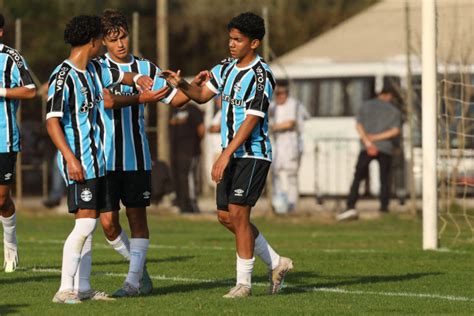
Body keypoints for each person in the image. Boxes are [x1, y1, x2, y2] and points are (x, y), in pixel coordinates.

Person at [161, 12, 293, 298]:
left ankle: (243, 284)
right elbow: (200, 96)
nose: (231, 44)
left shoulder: (262, 76)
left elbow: (252, 120)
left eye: (238, 40)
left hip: (253, 153)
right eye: (230, 38)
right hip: (231, 154)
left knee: (238, 213)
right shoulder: (224, 68)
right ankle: (276, 262)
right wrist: (181, 84)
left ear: (254, 43)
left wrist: (224, 154)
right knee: (225, 217)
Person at [46, 15, 166, 304]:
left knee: (90, 225)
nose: (107, 44)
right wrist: (70, 158)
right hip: (80, 161)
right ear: (93, 41)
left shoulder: (93, 70)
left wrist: (137, 77)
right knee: (85, 225)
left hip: (98, 161)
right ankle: (65, 290)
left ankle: (84, 289)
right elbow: (52, 122)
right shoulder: (64, 76)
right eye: (103, 39)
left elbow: (121, 77)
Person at [97, 9, 197, 297]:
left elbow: (176, 100)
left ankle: (133, 282)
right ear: (103, 41)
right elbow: (105, 101)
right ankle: (139, 270)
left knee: (137, 219)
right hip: (104, 157)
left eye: (124, 37)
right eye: (113, 39)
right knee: (108, 223)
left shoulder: (146, 67)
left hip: (137, 157)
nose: (120, 44)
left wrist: (190, 87)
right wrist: (139, 94)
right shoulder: (97, 68)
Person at [0, 14, 37, 273]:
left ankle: (10, 245)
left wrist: (1, 92)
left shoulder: (11, 58)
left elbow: (31, 89)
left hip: (4, 139)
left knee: (1, 199)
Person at [336, 85, 401, 221]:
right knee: (384, 179)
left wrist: (368, 142)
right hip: (385, 147)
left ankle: (350, 204)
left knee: (358, 177)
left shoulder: (365, 106)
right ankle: (384, 207)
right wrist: (376, 139)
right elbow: (395, 131)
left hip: (365, 147)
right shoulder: (394, 111)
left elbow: (358, 126)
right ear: (389, 96)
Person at [269, 79, 308, 213]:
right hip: (277, 143)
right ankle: (279, 202)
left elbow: (290, 123)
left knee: (291, 175)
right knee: (276, 174)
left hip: (291, 143)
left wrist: (273, 127)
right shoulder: (273, 106)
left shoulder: (294, 104)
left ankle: (291, 204)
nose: (279, 96)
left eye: (282, 93)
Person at [169, 102, 205, 214]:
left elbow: (201, 129)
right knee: (179, 177)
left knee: (189, 176)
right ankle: (181, 203)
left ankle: (192, 204)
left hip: (190, 150)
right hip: (177, 150)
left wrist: (195, 143)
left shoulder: (193, 110)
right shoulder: (174, 110)